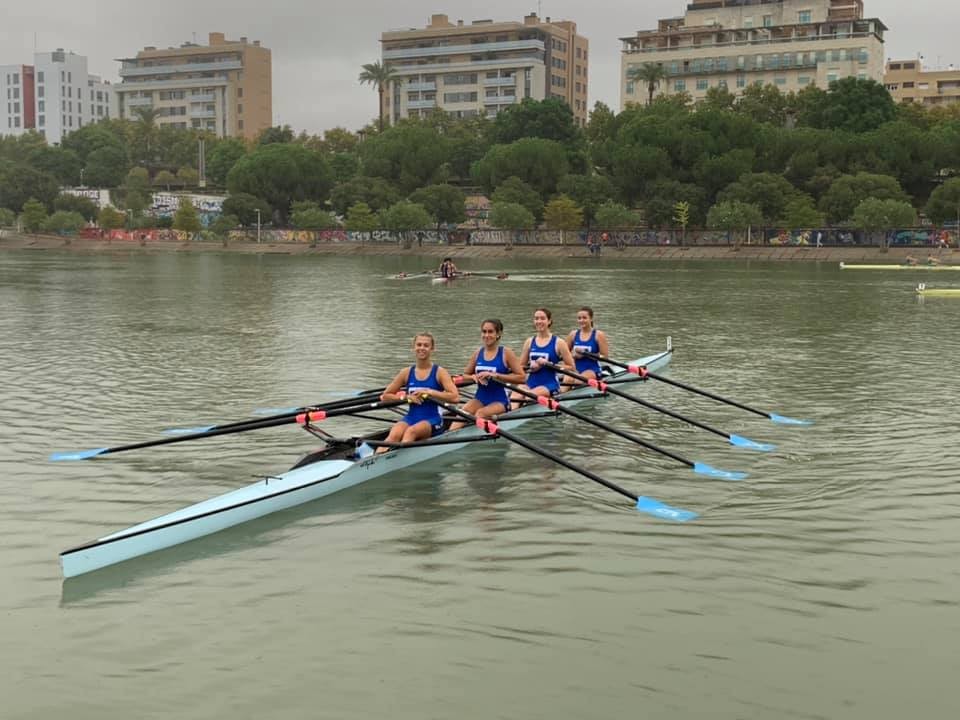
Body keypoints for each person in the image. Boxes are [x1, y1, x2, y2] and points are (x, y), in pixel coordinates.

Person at [377, 333, 460, 454]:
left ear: (432, 349)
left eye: (426, 345)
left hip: (433, 420)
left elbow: (455, 397)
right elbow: (385, 396)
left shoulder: (440, 372)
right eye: (419, 345)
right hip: (411, 417)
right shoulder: (406, 372)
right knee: (394, 433)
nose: (422, 348)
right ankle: (372, 462)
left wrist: (430, 392)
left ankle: (397, 461)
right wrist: (405, 397)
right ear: (413, 347)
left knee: (411, 432)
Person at [450, 319, 526, 430]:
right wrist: (472, 377)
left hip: (499, 401)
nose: (486, 335)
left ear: (498, 334)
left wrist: (497, 376)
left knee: (480, 414)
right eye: (484, 331)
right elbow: (465, 376)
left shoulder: (506, 353)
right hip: (479, 398)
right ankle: (449, 436)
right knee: (462, 412)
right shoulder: (477, 353)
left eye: (490, 332)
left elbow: (522, 378)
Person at [511, 308, 576, 408]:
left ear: (549, 321)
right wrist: (529, 367)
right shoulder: (529, 341)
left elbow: (571, 367)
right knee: (515, 394)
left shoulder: (559, 342)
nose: (539, 321)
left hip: (549, 385)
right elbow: (521, 367)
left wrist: (548, 364)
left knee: (529, 397)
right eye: (536, 319)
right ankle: (508, 418)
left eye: (542, 318)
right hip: (530, 383)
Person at [563, 306, 610, 390]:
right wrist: (572, 355)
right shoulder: (573, 334)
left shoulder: (598, 335)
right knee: (567, 380)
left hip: (591, 369)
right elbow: (563, 355)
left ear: (591, 319)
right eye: (579, 318)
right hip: (575, 368)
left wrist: (585, 355)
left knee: (577, 381)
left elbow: (605, 357)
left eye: (584, 318)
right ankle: (557, 399)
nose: (581, 320)